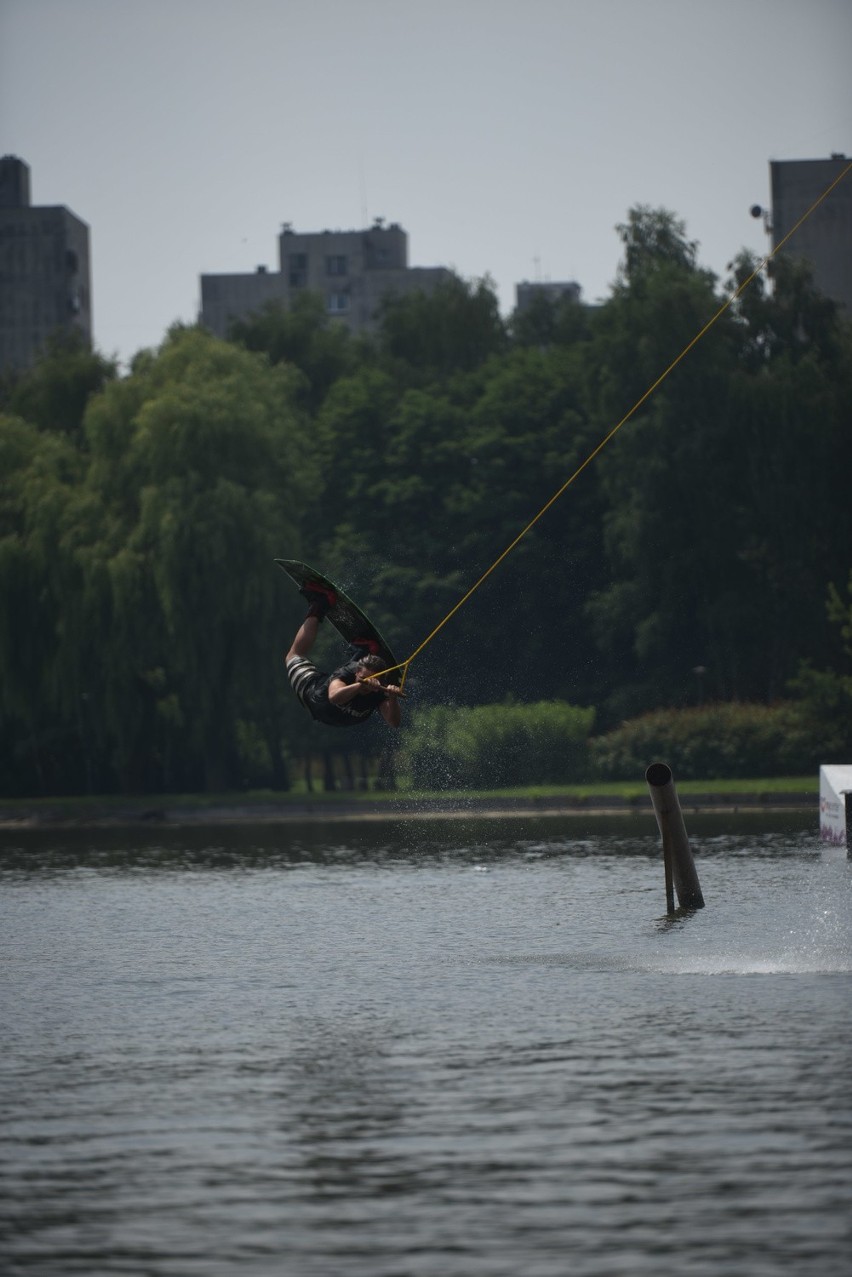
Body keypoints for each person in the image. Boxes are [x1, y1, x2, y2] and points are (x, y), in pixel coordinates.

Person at [285, 581, 403, 728]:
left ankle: (364, 649)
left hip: (311, 699)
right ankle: (319, 605)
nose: (366, 683)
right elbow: (334, 697)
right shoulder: (346, 673)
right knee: (294, 655)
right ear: (357, 672)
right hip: (319, 696)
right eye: (363, 677)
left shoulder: (379, 692)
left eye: (370, 680)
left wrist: (393, 698)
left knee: (294, 656)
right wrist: (360, 685)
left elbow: (394, 722)